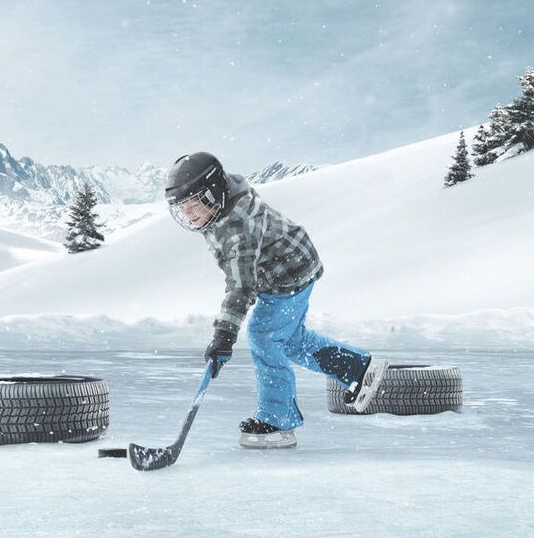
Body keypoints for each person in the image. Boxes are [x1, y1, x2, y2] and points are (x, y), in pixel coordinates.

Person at [165, 151, 390, 449]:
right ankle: (358, 368)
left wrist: (225, 333)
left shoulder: (236, 226)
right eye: (183, 208)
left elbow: (241, 286)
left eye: (195, 204)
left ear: (215, 191)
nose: (191, 214)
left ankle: (277, 422)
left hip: (289, 272)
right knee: (290, 340)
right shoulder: (219, 211)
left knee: (264, 336)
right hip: (285, 266)